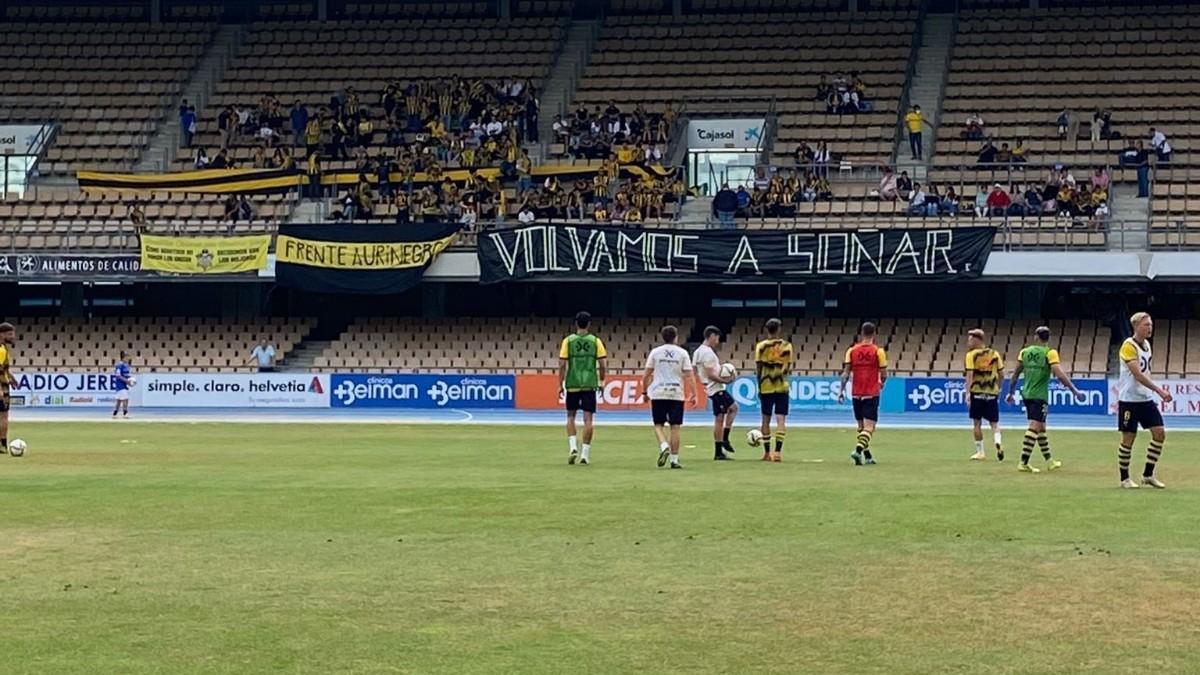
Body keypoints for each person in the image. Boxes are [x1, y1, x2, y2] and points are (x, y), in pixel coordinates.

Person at [1005, 325, 1086, 474]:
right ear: (1048, 338)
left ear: (1036, 337)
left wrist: (1010, 392)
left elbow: (1015, 374)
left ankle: (1050, 461)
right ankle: (1023, 462)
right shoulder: (1050, 353)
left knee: (1041, 427)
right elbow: (1060, 375)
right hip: (1039, 395)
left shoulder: (1024, 352)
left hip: (1027, 394)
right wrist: (1074, 390)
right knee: (1035, 426)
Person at [1114, 312, 1172, 489]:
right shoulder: (1128, 346)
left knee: (1159, 433)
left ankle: (1148, 474)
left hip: (1144, 399)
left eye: (1151, 325)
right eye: (1146, 325)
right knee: (1128, 439)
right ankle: (1124, 478)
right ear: (1136, 326)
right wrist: (1159, 390)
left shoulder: (1146, 344)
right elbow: (1137, 374)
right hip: (1129, 400)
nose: (1150, 328)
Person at [638, 325, 695, 470]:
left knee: (658, 425)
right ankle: (674, 460)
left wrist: (644, 392)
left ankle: (664, 446)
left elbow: (646, 374)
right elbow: (689, 375)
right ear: (676, 337)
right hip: (676, 393)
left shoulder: (655, 352)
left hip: (659, 392)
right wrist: (694, 393)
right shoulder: (682, 353)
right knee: (675, 427)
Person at [559, 311, 607, 466]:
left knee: (570, 417)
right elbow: (602, 364)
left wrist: (560, 384)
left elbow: (562, 364)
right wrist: (602, 381)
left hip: (572, 383)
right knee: (588, 419)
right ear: (589, 324)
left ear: (575, 323)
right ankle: (585, 454)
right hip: (589, 383)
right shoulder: (595, 341)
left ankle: (573, 446)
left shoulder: (568, 341)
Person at [838, 322, 887, 466]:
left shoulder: (851, 350)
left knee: (861, 427)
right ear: (874, 334)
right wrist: (882, 383)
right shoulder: (878, 351)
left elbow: (845, 373)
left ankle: (868, 456)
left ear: (861, 333)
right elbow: (884, 374)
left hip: (856, 393)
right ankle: (858, 451)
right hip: (871, 392)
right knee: (869, 427)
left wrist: (841, 390)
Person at [692, 326, 738, 461]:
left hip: (710, 388)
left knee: (720, 417)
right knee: (732, 409)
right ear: (711, 336)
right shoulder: (707, 353)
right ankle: (724, 439)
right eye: (717, 337)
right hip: (716, 388)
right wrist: (726, 380)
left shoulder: (698, 352)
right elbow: (711, 374)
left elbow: (696, 369)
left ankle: (719, 450)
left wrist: (704, 381)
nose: (717, 341)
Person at [754, 318, 793, 462]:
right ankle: (777, 452)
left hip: (766, 386)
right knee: (781, 420)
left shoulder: (761, 347)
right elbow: (788, 367)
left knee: (765, 420)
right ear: (779, 329)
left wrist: (759, 386)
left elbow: (758, 369)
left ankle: (766, 453)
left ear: (766, 329)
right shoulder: (787, 346)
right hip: (782, 386)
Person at [964, 329, 1004, 461]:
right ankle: (997, 441)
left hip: (977, 392)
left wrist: (968, 392)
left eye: (970, 339)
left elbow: (970, 375)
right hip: (991, 392)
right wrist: (999, 387)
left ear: (977, 339)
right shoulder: (994, 354)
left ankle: (980, 452)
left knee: (976, 423)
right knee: (994, 423)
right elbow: (1001, 374)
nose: (968, 342)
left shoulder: (971, 355)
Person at [0, 322, 15, 453]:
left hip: (4, 383)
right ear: (2, 334)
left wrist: (12, 378)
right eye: (10, 334)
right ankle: (3, 445)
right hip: (1, 386)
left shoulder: (3, 347)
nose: (13, 336)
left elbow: (3, 368)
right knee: (3, 415)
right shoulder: (1, 349)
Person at [112, 351, 133, 418]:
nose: (128, 359)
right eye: (127, 358)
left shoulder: (127, 365)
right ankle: (125, 413)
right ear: (123, 358)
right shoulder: (119, 365)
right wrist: (126, 381)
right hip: (120, 385)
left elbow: (127, 375)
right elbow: (118, 375)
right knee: (125, 399)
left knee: (119, 400)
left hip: (125, 385)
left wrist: (131, 380)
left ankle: (114, 414)